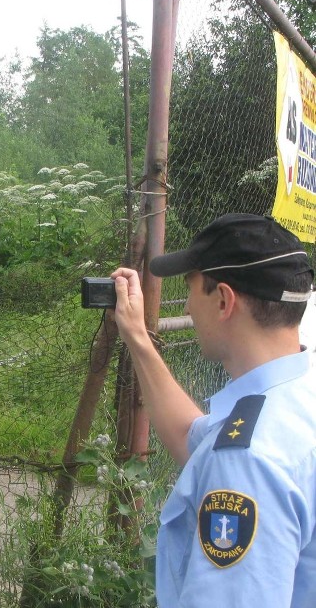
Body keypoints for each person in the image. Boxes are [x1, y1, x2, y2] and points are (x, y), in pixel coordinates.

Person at [110, 213, 315, 607]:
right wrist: (137, 336)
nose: (187, 305)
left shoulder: (248, 463)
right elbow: (193, 438)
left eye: (191, 289)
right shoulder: (295, 394)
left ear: (223, 300)